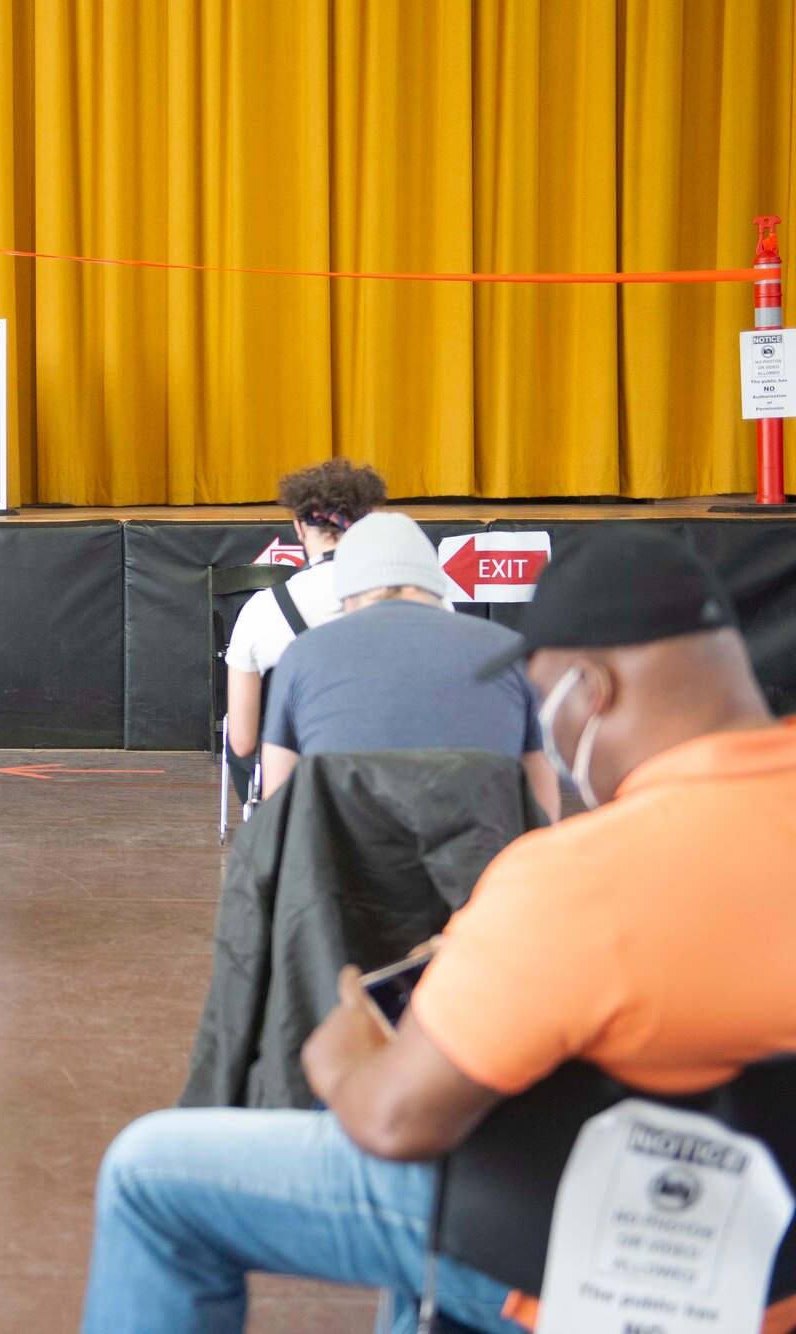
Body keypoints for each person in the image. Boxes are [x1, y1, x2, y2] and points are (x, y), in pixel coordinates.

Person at [81, 530, 796, 1334]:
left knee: (151, 1174)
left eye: (548, 701)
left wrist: (344, 1050)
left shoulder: (576, 880)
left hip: (593, 1274)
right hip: (775, 1276)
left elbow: (395, 1120)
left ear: (590, 688)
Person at [259, 511, 559, 820]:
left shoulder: (302, 655)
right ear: (436, 585)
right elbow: (541, 790)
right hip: (486, 861)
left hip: (342, 864)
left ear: (347, 595)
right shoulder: (511, 652)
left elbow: (277, 807)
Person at [224, 460, 388, 778]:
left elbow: (242, 743)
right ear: (368, 523)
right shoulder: (425, 604)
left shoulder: (261, 611)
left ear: (299, 527)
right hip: (394, 798)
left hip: (301, 801)